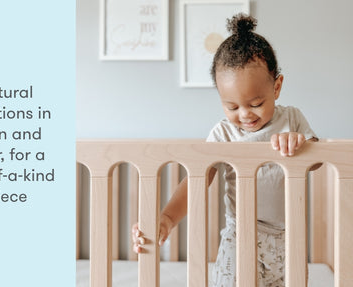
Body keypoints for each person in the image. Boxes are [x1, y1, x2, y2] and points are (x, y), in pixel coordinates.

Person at [132, 13, 318, 287]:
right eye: (231, 106)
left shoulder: (292, 119)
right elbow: (198, 178)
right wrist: (167, 217)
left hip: (289, 238)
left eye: (255, 103)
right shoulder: (223, 134)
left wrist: (300, 144)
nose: (244, 114)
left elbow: (319, 161)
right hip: (240, 235)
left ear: (276, 87)